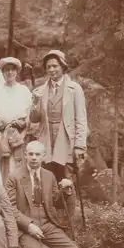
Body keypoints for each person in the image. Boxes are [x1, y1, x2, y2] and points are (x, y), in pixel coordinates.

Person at [5, 141, 86, 248]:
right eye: (30, 154)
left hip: (48, 225)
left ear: (43, 156)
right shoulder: (14, 177)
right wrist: (28, 225)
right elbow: (9, 208)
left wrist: (67, 191)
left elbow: (56, 202)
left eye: (37, 154)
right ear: (25, 155)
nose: (34, 158)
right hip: (25, 229)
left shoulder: (49, 176)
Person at [30, 49, 88, 216]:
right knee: (48, 179)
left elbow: (81, 119)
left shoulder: (74, 89)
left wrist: (79, 146)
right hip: (47, 140)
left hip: (66, 139)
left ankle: (69, 223)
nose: (52, 70)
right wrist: (34, 104)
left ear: (63, 67)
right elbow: (34, 119)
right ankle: (51, 217)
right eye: (48, 67)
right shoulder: (41, 91)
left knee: (67, 181)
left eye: (55, 66)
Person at [0, 57, 33, 183]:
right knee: (1, 166)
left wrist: (23, 135)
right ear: (2, 72)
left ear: (17, 72)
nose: (9, 73)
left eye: (12, 70)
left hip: (18, 135)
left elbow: (28, 117)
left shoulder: (23, 91)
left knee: (17, 166)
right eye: (6, 70)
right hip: (0, 134)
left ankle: (16, 197)